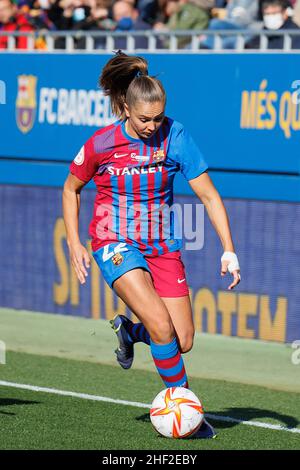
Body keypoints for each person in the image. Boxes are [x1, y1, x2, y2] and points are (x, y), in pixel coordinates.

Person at [62, 51, 241, 439]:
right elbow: (71, 188)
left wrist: (229, 249)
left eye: (158, 117)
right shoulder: (102, 142)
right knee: (161, 327)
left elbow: (209, 196)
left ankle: (129, 332)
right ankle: (188, 412)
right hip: (114, 241)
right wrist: (75, 242)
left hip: (162, 246)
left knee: (183, 339)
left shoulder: (176, 135)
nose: (152, 125)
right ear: (125, 108)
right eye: (145, 118)